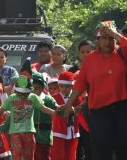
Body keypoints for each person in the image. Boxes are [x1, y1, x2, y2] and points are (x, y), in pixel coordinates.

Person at [63, 21, 127, 160]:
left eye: (110, 38)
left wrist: (115, 34)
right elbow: (80, 85)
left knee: (123, 143)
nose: (107, 41)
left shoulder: (122, 53)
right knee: (101, 146)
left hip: (123, 106)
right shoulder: (90, 59)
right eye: (103, 37)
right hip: (99, 109)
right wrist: (69, 105)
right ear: (97, 40)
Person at [0, 59, 55, 160]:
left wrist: (55, 113)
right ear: (16, 91)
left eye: (25, 94)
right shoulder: (12, 98)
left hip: (29, 132)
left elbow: (44, 108)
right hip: (15, 132)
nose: (23, 96)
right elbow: (1, 111)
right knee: (17, 154)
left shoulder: (33, 97)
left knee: (29, 156)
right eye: (20, 94)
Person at [51, 71, 84, 160]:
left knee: (71, 155)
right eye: (61, 86)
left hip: (73, 131)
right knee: (57, 155)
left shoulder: (76, 98)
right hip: (58, 131)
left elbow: (80, 111)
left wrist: (75, 110)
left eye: (67, 86)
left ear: (72, 86)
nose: (64, 89)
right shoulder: (54, 98)